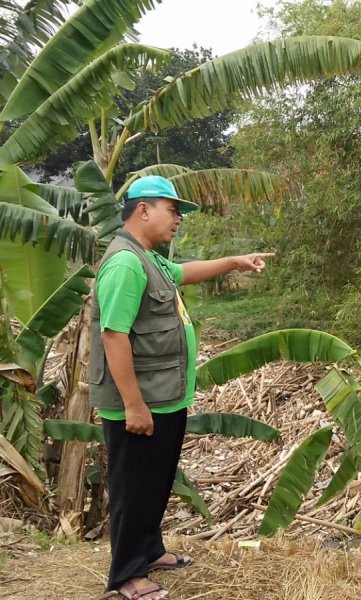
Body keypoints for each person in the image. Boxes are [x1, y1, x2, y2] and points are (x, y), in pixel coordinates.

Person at [89, 176, 272, 600]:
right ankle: (128, 576)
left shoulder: (148, 258)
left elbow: (185, 272)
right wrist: (134, 405)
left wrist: (234, 261)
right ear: (143, 209)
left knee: (155, 480)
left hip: (164, 396)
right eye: (173, 210)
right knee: (134, 485)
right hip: (141, 403)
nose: (178, 220)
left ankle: (149, 551)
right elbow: (113, 336)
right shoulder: (125, 263)